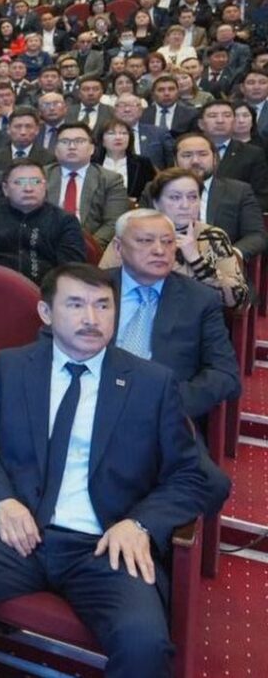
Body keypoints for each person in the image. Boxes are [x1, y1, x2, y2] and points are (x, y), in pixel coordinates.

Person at [0, 263, 207, 678]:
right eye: (76, 304)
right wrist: (1, 499)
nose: (91, 318)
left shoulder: (151, 383)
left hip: (105, 546)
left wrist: (140, 524)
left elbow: (193, 477)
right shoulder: (13, 367)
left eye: (103, 305)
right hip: (19, 533)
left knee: (144, 643)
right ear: (46, 313)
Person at [101, 210, 239, 514]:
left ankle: (143, 525)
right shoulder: (92, 288)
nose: (159, 250)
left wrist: (170, 403)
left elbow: (225, 373)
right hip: (91, 403)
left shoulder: (200, 299)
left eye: (167, 241)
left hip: (165, 415)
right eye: (146, 241)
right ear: (119, 247)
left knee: (212, 485)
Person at [102, 169, 246, 308]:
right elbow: (103, 285)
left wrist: (196, 260)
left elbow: (236, 300)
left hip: (196, 318)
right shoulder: (132, 234)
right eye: (175, 197)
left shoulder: (213, 237)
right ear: (156, 203)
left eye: (192, 197)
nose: (185, 205)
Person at [0, 159, 86, 284]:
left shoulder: (65, 221)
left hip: (47, 291)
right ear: (5, 189)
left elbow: (71, 271)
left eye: (36, 182)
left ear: (45, 186)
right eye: (19, 182)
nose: (28, 189)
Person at [171, 133, 268, 261]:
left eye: (202, 154)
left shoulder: (239, 191)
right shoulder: (157, 190)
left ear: (215, 159)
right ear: (175, 161)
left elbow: (256, 235)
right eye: (187, 155)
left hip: (223, 265)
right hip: (172, 264)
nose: (195, 161)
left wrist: (230, 255)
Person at [44, 123, 128, 248]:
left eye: (79, 141)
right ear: (56, 149)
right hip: (45, 246)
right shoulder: (41, 176)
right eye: (65, 142)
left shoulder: (111, 180)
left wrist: (87, 247)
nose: (72, 147)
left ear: (92, 149)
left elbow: (114, 222)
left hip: (90, 247)